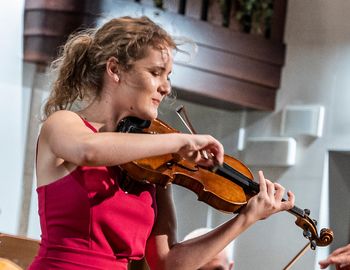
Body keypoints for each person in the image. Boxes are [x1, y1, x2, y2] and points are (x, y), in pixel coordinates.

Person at [28, 16, 295, 270]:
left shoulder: (152, 167)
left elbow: (168, 264)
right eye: (156, 72)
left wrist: (246, 219)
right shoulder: (64, 124)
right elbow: (89, 150)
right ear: (114, 69)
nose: (166, 87)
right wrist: (177, 141)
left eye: (168, 75)